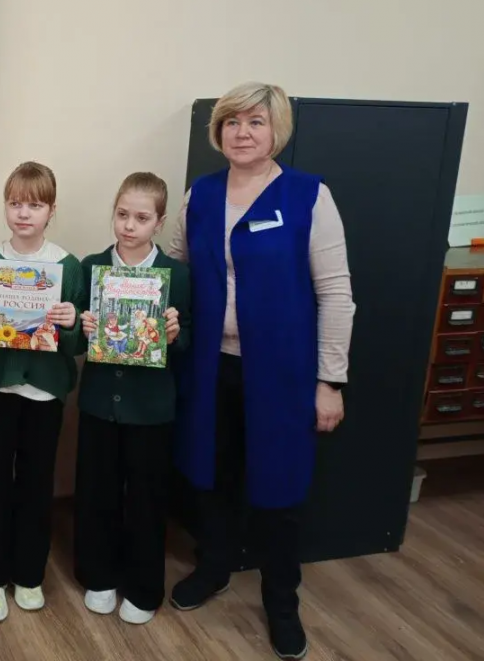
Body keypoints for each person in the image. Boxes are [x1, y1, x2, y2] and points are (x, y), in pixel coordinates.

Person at [167, 82, 355, 660]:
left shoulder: (308, 196)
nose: (242, 133)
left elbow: (336, 294)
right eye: (232, 122)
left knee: (277, 489)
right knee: (212, 476)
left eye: (255, 123)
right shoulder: (200, 195)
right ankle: (215, 567)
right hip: (209, 367)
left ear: (277, 131)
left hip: (281, 375)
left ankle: (281, 601)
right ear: (218, 131)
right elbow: (172, 270)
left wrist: (330, 381)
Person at [0, 162, 83, 623]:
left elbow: (78, 344)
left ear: (52, 210)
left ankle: (30, 574)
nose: (23, 213)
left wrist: (71, 325)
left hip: (44, 394)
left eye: (34, 205)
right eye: (15, 203)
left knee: (36, 485)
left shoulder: (67, 266)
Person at [74, 172, 189, 625]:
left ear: (159, 222)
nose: (129, 225)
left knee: (147, 499)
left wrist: (175, 334)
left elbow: (190, 339)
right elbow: (73, 339)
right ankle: (98, 575)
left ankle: (143, 587)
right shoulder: (91, 266)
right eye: (122, 214)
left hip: (151, 409)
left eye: (141, 218)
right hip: (100, 403)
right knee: (96, 492)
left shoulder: (177, 274)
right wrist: (81, 328)